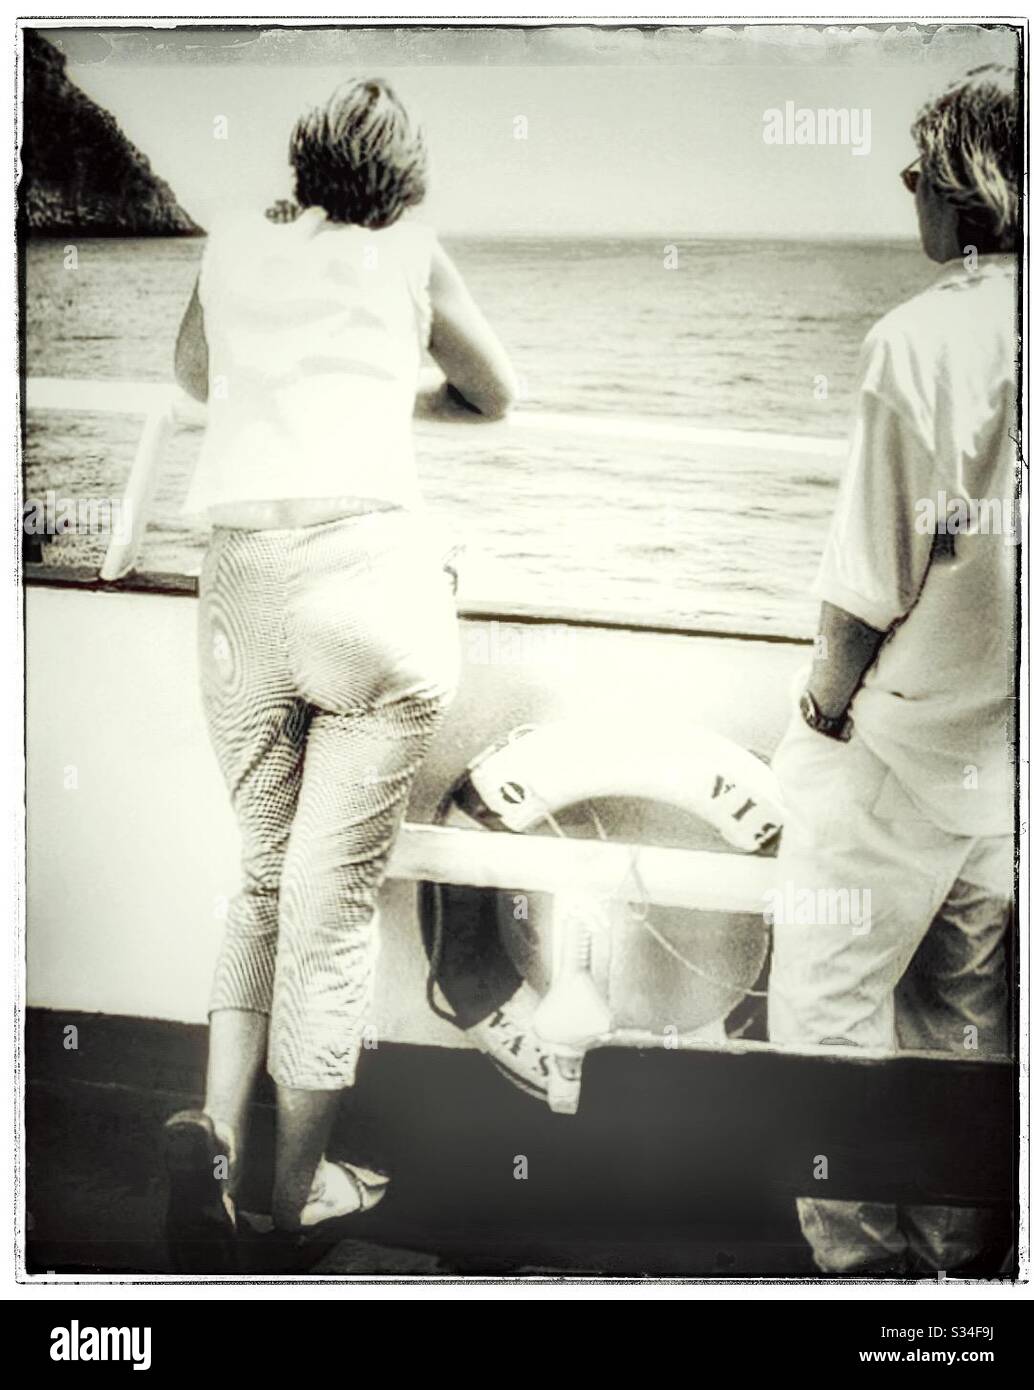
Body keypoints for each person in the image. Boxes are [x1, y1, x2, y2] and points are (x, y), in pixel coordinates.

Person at [164, 76, 517, 1271]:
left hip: (242, 586)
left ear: (306, 159)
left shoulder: (232, 245)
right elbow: (496, 390)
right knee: (331, 916)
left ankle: (213, 1141)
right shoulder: (413, 250)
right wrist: (390, 390)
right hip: (371, 584)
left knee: (262, 880)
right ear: (405, 174)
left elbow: (201, 380)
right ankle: (296, 1197)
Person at [767, 65, 1019, 1275]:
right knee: (961, 1026)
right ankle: (961, 1279)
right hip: (1007, 768)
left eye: (921, 171)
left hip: (904, 752)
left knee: (825, 1015)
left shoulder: (916, 341)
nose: (910, 191)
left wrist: (818, 714)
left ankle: (863, 1279)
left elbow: (868, 584)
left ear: (969, 188)